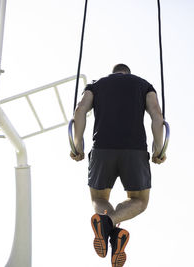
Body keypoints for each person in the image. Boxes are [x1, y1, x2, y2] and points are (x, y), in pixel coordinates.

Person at [70, 63, 166, 267]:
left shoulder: (96, 85)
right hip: (135, 150)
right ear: (128, 73)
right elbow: (157, 115)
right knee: (139, 201)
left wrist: (77, 145)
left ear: (113, 73)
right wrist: (159, 150)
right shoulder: (144, 85)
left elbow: (79, 111)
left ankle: (108, 226)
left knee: (98, 197)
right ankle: (111, 226)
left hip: (102, 148)